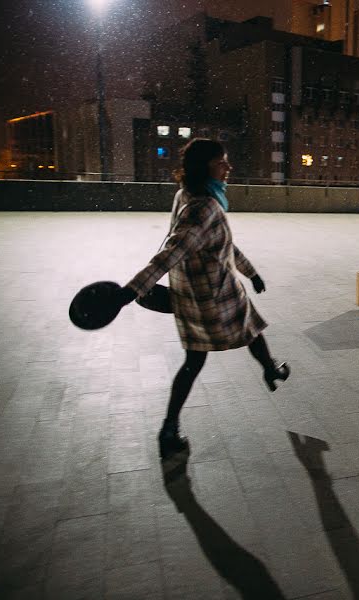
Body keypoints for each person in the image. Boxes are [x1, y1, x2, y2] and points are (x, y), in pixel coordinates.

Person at [119, 138, 289, 459]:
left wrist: (251, 272)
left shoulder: (188, 195)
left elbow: (219, 245)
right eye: (222, 162)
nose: (229, 167)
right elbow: (172, 251)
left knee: (211, 351)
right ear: (206, 167)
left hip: (194, 292)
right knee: (246, 330)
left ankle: (171, 426)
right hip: (214, 294)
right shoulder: (204, 208)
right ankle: (269, 370)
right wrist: (129, 292)